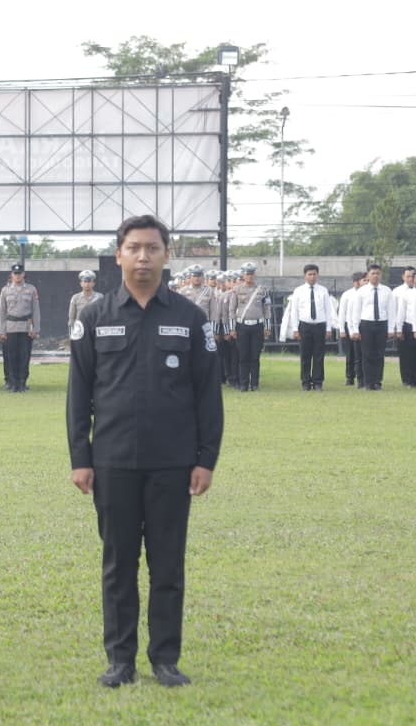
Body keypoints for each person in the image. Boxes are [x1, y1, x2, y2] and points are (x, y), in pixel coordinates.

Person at [66, 214, 223, 689]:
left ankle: (165, 659)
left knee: (167, 563)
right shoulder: (94, 317)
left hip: (173, 463)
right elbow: (79, 394)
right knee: (118, 565)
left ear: (166, 255)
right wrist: (80, 458)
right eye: (133, 248)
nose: (143, 256)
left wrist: (205, 458)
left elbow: (207, 395)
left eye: (152, 248)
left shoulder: (190, 318)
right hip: (112, 463)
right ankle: (120, 659)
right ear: (118, 255)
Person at [279, 264, 336, 391]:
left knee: (319, 355)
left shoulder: (323, 291)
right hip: (304, 326)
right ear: (305, 276)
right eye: (309, 274)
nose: (312, 276)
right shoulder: (299, 291)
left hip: (320, 325)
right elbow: (294, 312)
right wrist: (295, 329)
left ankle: (318, 382)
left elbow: (328, 310)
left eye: (314, 274)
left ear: (318, 275)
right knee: (305, 355)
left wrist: (328, 328)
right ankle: (305, 382)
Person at [347, 264, 398, 391]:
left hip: (381, 323)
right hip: (366, 324)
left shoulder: (387, 291)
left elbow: (391, 311)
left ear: (381, 275)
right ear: (368, 275)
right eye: (373, 273)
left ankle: (377, 381)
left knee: (379, 354)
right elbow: (356, 312)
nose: (375, 275)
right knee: (367, 354)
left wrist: (391, 329)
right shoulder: (361, 292)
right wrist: (354, 330)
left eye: (378, 273)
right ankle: (368, 382)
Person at [227, 262, 271, 391]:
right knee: (243, 356)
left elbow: (267, 309)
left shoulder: (263, 290)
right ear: (243, 275)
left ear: (255, 275)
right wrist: (232, 328)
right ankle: (243, 384)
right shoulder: (237, 290)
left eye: (252, 273)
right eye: (247, 274)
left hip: (257, 326)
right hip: (242, 326)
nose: (250, 276)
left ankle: (255, 384)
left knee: (255, 356)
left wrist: (267, 327)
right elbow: (231, 310)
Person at [0, 263, 40, 392]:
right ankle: (13, 382)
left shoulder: (31, 290)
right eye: (15, 273)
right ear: (11, 275)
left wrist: (35, 329)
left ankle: (22, 382)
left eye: (19, 273)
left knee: (24, 356)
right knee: (12, 356)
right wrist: (1, 330)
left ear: (23, 274)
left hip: (26, 327)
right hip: (11, 327)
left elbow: (35, 310)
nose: (17, 276)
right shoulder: (6, 290)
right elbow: (2, 312)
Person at [338, 272, 365, 387]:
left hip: (362, 324)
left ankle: (362, 377)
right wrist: (341, 330)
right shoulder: (347, 294)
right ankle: (350, 377)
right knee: (351, 354)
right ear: (356, 282)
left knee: (360, 353)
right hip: (348, 325)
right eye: (364, 280)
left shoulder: (365, 294)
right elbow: (342, 313)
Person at [393, 267, 416, 387]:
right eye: (408, 276)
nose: (410, 279)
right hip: (406, 325)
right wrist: (398, 328)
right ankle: (407, 379)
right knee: (406, 354)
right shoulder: (399, 292)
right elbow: (398, 311)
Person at [67, 270, 103, 339]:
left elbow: (103, 316)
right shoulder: (75, 298)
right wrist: (72, 336)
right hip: (80, 331)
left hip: (95, 331)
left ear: (93, 283)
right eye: (85, 282)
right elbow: (71, 318)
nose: (87, 284)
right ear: (81, 283)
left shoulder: (100, 297)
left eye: (89, 282)